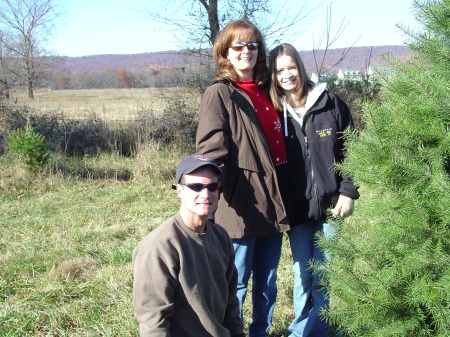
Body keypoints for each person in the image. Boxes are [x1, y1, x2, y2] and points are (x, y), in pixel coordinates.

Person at [196, 19, 290, 337]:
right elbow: (210, 152)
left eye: (252, 45)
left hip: (274, 202)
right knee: (234, 282)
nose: (245, 51)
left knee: (267, 280)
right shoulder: (220, 93)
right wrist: (208, 195)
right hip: (240, 204)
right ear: (225, 51)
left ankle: (260, 332)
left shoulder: (270, 91)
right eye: (238, 45)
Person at [268, 43, 360, 337]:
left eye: (291, 67)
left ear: (301, 67)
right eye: (279, 70)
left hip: (332, 207)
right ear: (273, 74)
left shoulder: (330, 103)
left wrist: (348, 191)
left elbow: (354, 150)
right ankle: (302, 331)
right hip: (297, 210)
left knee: (325, 274)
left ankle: (317, 331)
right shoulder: (273, 111)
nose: (287, 74)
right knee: (302, 276)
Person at [132, 153, 244, 337]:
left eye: (212, 186)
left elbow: (231, 301)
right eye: (196, 187)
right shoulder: (158, 248)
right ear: (179, 191)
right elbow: (153, 322)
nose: (206, 194)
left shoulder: (221, 236)